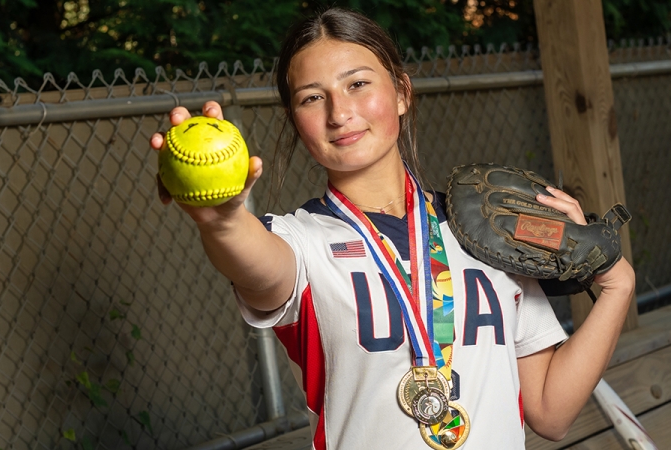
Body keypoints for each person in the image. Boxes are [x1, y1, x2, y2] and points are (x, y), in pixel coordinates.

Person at [150, 7, 635, 449]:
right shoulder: (302, 242)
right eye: (312, 97)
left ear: (401, 93)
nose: (339, 114)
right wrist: (226, 221)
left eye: (357, 84)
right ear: (297, 122)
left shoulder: (490, 230)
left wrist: (616, 282)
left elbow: (550, 412)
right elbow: (258, 266)